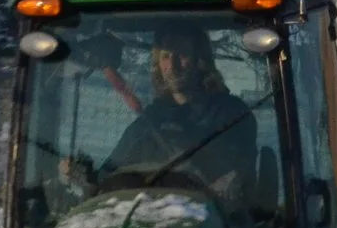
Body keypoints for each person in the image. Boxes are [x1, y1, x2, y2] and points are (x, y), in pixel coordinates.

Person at [72, 25, 255, 205]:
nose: (172, 65)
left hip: (212, 220)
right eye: (166, 57)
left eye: (182, 55)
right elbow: (111, 176)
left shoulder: (232, 114)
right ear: (157, 65)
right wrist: (85, 175)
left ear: (201, 61)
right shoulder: (150, 121)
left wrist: (187, 144)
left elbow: (235, 176)